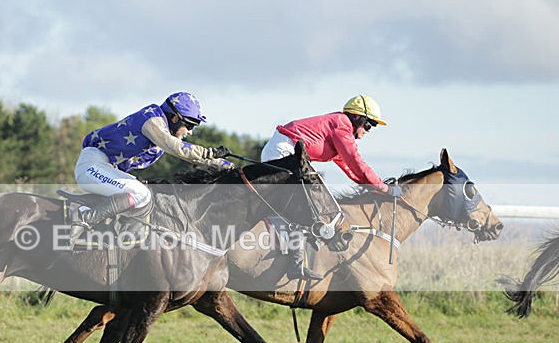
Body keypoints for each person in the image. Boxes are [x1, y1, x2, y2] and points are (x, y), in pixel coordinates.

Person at [260, 94, 401, 279]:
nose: (368, 131)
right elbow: (357, 163)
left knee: (315, 199)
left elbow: (351, 170)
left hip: (285, 151)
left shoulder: (339, 130)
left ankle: (301, 250)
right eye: (369, 125)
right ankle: (295, 264)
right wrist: (385, 189)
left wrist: (375, 187)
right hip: (283, 151)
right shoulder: (342, 125)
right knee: (309, 202)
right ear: (357, 118)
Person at [73, 92, 232, 231]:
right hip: (92, 166)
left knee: (144, 193)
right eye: (189, 125)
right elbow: (177, 148)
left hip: (105, 168)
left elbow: (197, 160)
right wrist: (209, 152)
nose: (190, 132)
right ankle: (83, 219)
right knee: (141, 194)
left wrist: (231, 168)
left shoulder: (161, 134)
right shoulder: (152, 119)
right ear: (176, 118)